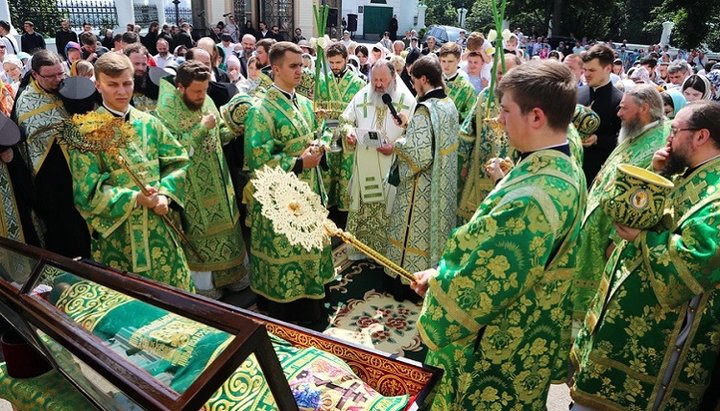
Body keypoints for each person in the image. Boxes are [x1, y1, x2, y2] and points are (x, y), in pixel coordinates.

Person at [411, 59, 585, 410]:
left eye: (505, 111)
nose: (500, 121)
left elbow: (484, 285)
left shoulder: (532, 199)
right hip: (527, 333)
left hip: (497, 348)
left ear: (536, 117)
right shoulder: (565, 165)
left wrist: (440, 282)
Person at [571, 100, 720, 410]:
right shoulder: (688, 171)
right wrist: (657, 171)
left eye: (676, 130)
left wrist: (642, 237)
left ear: (701, 136)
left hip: (661, 344)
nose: (668, 136)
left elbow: (694, 262)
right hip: (627, 326)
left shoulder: (715, 195)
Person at [68, 51, 193, 291]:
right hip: (119, 238)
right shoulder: (86, 133)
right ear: (97, 85)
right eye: (112, 85)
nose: (122, 92)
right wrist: (135, 198)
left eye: (127, 83)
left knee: (176, 299)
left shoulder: (151, 122)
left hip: (160, 226)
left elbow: (178, 161)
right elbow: (86, 195)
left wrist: (166, 194)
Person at [244, 42, 333, 323]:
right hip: (281, 199)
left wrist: (321, 145)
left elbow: (322, 131)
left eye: (301, 65)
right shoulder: (261, 110)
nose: (300, 71)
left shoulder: (305, 103)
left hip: (308, 192)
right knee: (288, 253)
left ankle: (311, 309)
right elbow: (257, 160)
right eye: (293, 66)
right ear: (276, 69)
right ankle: (287, 316)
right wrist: (298, 163)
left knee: (310, 249)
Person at [569, 84, 669, 325]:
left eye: (624, 108)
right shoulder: (638, 132)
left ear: (644, 108)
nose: (618, 113)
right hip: (594, 228)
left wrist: (617, 239)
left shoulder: (660, 143)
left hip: (610, 235)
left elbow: (642, 198)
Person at [155, 60, 249, 299]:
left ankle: (235, 277)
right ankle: (208, 286)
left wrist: (237, 126)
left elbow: (219, 135)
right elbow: (171, 153)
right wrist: (201, 128)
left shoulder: (206, 100)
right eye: (196, 91)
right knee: (202, 234)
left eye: (204, 90)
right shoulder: (165, 111)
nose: (201, 95)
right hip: (193, 188)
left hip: (220, 178)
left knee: (229, 227)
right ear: (180, 87)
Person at [385, 55, 458, 283]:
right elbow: (434, 141)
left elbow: (419, 155)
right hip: (442, 182)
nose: (413, 84)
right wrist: (408, 125)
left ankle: (406, 279)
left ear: (424, 79)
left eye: (414, 79)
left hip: (422, 187)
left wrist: (398, 144)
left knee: (413, 232)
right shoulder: (448, 104)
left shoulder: (425, 110)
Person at [13, 50, 91, 258]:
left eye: (60, 74)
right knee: (64, 228)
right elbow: (27, 144)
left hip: (81, 170)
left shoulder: (68, 88)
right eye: (50, 76)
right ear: (35, 75)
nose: (57, 80)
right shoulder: (26, 101)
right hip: (51, 179)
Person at [339, 61, 416, 264]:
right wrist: (349, 134)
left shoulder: (407, 101)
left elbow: (415, 134)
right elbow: (346, 120)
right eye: (375, 80)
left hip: (390, 162)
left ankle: (384, 253)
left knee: (387, 205)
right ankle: (360, 250)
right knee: (363, 201)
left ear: (393, 78)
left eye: (383, 80)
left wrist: (396, 146)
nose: (379, 84)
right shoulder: (362, 96)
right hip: (364, 160)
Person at [457, 54, 521, 221]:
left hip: (512, 171)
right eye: (499, 72)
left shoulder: (525, 100)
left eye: (507, 72)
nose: (502, 76)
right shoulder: (485, 96)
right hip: (478, 168)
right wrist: (463, 164)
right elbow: (468, 131)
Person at [315, 43, 365, 211]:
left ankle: (343, 212)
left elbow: (361, 114)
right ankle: (327, 207)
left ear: (346, 60)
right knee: (327, 172)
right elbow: (317, 109)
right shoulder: (322, 82)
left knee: (346, 172)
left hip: (346, 137)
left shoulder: (358, 83)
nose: (335, 67)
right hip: (327, 135)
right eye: (331, 63)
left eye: (338, 62)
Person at [577, 44, 623, 183]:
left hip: (597, 172)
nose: (586, 74)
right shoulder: (577, 93)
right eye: (584, 69)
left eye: (592, 70)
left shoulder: (620, 101)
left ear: (608, 69)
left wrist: (598, 139)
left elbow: (623, 140)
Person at [438, 42, 475, 124]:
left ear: (458, 60)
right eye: (443, 61)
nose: (446, 65)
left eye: (450, 61)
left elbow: (470, 115)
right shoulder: (432, 82)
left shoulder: (467, 88)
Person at [124, 43, 158, 112]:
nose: (141, 68)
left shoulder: (156, 85)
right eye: (136, 64)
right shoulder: (118, 88)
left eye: (144, 64)